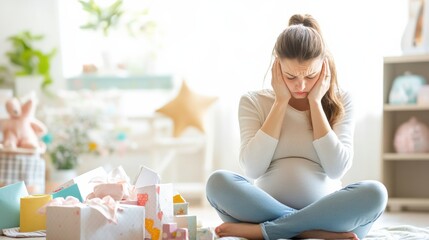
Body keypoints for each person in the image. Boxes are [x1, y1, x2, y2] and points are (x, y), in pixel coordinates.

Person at [205, 14, 388, 240]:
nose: (300, 85)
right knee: (217, 182)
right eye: (290, 76)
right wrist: (280, 102)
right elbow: (252, 169)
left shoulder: (342, 101)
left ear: (324, 67)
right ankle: (313, 232)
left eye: (310, 76)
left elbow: (336, 169)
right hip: (286, 217)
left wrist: (315, 103)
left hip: (328, 215)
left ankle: (269, 231)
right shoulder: (253, 101)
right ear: (277, 66)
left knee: (376, 193)